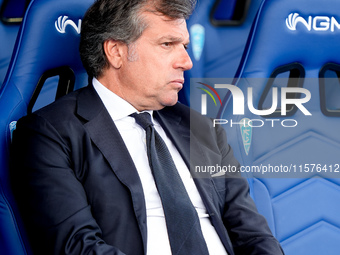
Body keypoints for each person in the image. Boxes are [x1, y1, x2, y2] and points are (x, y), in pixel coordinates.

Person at [10, 0, 284, 254]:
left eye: (185, 46)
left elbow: (254, 235)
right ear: (116, 52)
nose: (186, 62)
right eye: (167, 44)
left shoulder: (203, 129)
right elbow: (78, 246)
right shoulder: (49, 133)